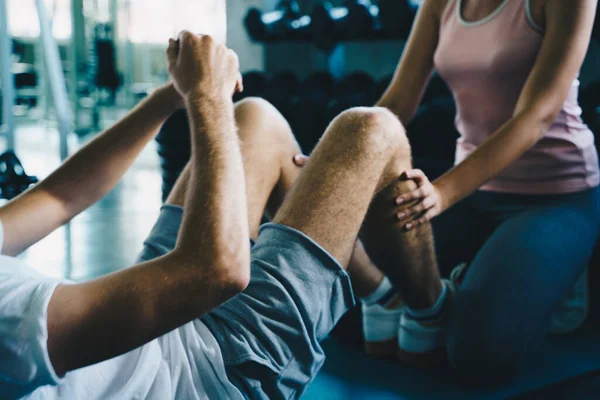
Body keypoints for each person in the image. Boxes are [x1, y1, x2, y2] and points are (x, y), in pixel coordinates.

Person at [0, 32, 432, 399]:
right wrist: (206, 97)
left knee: (255, 117)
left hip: (143, 315)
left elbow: (58, 197)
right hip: (212, 371)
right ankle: (433, 309)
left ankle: (381, 296)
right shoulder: (8, 322)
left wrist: (168, 98)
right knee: (371, 131)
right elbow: (217, 272)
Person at [364, 0, 600, 384]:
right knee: (340, 313)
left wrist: (440, 192)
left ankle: (560, 290)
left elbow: (536, 115)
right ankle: (461, 286)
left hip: (555, 198)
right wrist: (338, 156)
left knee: (478, 357)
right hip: (474, 193)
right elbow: (399, 100)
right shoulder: (440, 3)